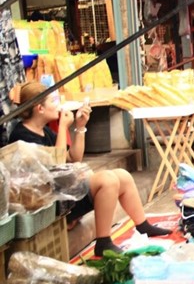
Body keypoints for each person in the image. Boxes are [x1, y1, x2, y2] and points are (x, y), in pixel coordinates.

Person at [10, 82, 172, 256]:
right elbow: (53, 165)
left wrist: (80, 126)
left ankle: (143, 225)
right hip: (50, 200)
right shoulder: (22, 135)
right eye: (53, 101)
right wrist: (63, 126)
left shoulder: (45, 131)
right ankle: (103, 242)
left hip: (63, 190)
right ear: (39, 108)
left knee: (122, 176)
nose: (58, 105)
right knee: (107, 181)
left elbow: (74, 157)